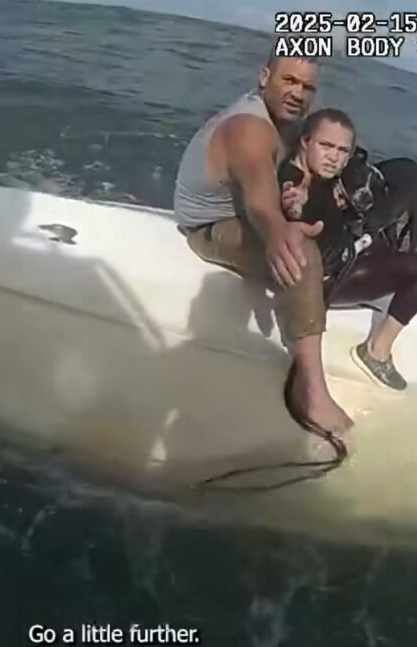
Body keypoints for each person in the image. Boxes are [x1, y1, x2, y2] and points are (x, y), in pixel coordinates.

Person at [173, 50, 350, 434]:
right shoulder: (250, 129)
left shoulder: (283, 121)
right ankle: (311, 393)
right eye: (288, 81)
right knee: (299, 251)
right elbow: (257, 195)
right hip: (209, 225)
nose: (297, 94)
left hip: (244, 211)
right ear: (264, 76)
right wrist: (276, 231)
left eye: (307, 87)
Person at [276, 108, 417, 391]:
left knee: (395, 203)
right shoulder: (296, 182)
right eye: (326, 146)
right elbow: (296, 199)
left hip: (345, 253)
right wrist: (296, 205)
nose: (334, 157)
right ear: (305, 142)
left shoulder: (323, 172)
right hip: (330, 282)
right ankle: (376, 352)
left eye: (342, 150)